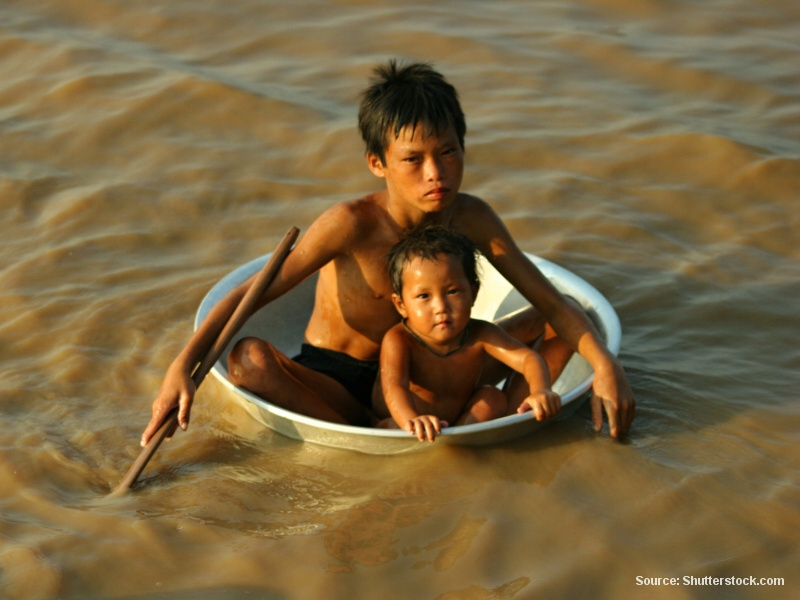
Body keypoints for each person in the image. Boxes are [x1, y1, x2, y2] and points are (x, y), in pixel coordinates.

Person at [140, 60, 635, 447]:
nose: (435, 174)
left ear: (464, 148)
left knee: (571, 320)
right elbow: (252, 294)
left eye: (447, 153)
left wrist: (608, 368)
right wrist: (182, 367)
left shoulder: (471, 217)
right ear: (378, 163)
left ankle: (507, 411)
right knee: (248, 359)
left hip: (435, 368)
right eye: (413, 160)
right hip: (344, 383)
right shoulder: (351, 223)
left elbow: (553, 303)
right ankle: (383, 433)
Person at [374, 225, 561, 442]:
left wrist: (540, 390)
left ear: (473, 292)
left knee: (493, 398)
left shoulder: (480, 333)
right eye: (424, 296)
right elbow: (394, 386)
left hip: (459, 421)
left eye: (452, 292)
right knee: (391, 426)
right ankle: (441, 443)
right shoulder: (400, 339)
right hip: (407, 423)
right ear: (401, 304)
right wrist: (412, 419)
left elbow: (528, 358)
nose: (440, 307)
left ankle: (457, 445)